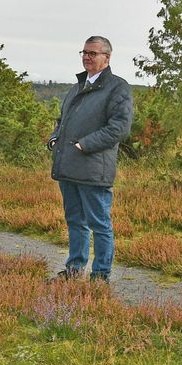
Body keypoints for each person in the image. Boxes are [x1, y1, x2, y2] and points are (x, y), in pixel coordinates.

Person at [48, 36, 134, 282]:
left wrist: (83, 145)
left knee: (99, 224)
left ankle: (100, 276)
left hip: (94, 169)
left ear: (107, 58)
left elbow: (119, 128)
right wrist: (55, 139)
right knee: (75, 221)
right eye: (84, 52)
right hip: (69, 167)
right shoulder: (78, 86)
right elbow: (62, 120)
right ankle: (74, 270)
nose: (87, 56)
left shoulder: (118, 87)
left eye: (93, 53)